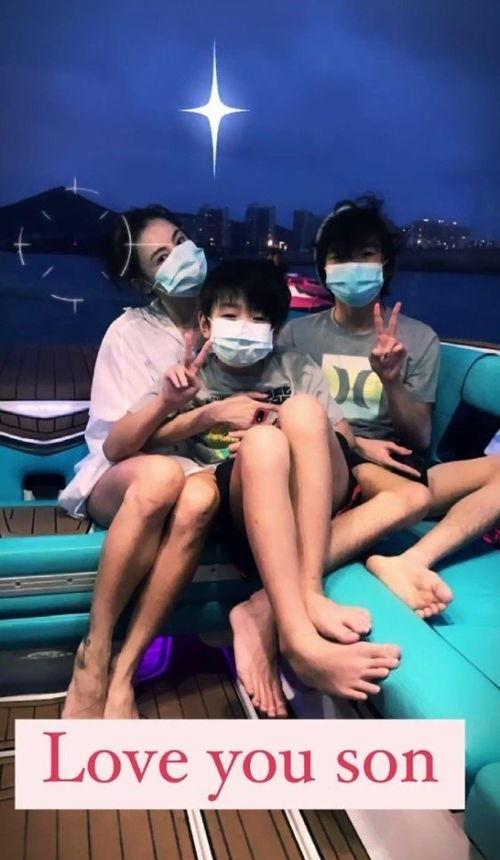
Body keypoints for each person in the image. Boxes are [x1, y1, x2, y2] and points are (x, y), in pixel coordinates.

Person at [138, 259, 416, 713]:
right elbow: (134, 441)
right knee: (264, 443)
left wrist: (289, 425)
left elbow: (341, 438)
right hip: (244, 496)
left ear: (276, 329)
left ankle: (306, 594)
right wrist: (202, 414)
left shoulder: (296, 366)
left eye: (259, 319)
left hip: (310, 489)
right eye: (231, 316)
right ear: (206, 323)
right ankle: (298, 639)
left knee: (302, 411)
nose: (244, 328)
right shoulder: (191, 377)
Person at [278, 195, 500, 608]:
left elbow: (419, 438)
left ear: (386, 264)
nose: (353, 266)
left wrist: (392, 381)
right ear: (324, 269)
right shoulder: (296, 335)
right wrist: (358, 445)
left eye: (366, 254)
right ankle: (286, 586)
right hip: (327, 461)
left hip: (395, 463)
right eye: (340, 256)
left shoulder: (419, 338)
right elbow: (285, 416)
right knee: (394, 488)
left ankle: (411, 561)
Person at [58, 206, 221, 719]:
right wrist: (175, 406)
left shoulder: (229, 319)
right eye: (161, 256)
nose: (182, 256)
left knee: (201, 496)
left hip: (197, 469)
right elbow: (115, 447)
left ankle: (126, 669)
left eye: (181, 240)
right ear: (142, 281)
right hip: (123, 475)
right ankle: (94, 653)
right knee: (162, 476)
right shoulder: (128, 333)